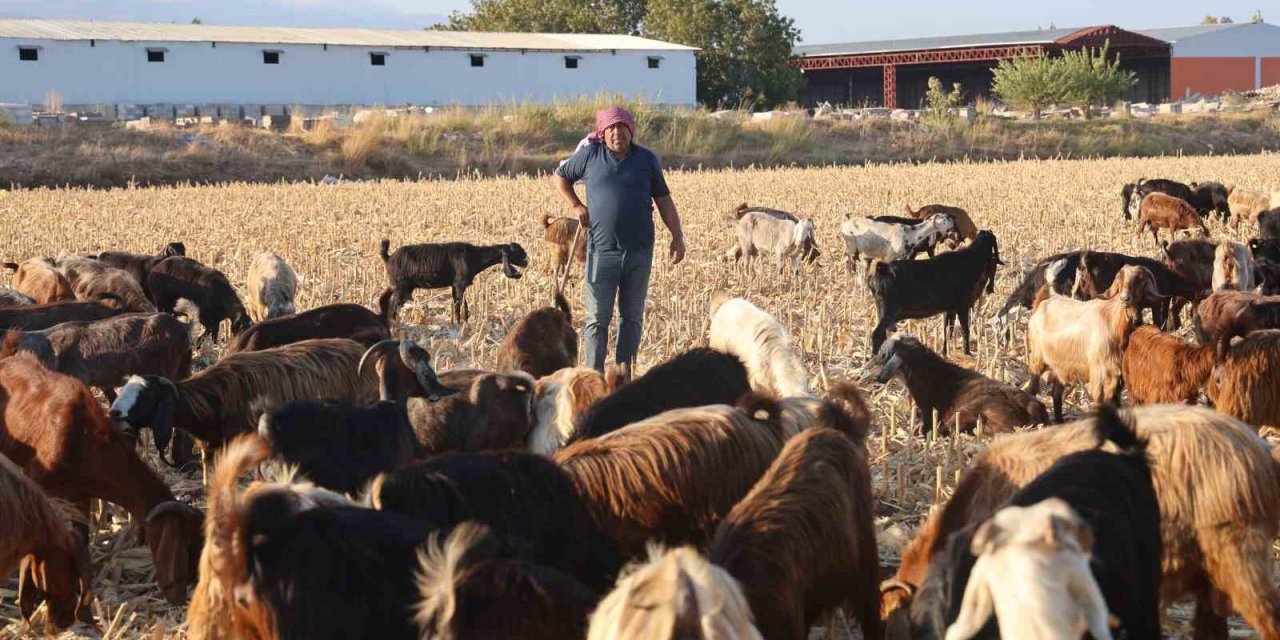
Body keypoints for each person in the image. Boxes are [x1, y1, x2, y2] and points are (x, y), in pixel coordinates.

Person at [552, 106, 685, 371]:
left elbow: (664, 200)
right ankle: (593, 376)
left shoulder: (646, 160)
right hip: (602, 251)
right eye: (611, 128)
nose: (617, 133)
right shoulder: (590, 155)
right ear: (602, 132)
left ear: (631, 130)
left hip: (639, 251)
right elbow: (560, 177)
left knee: (632, 318)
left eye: (622, 127)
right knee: (597, 319)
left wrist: (677, 236)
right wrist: (577, 206)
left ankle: (624, 377)